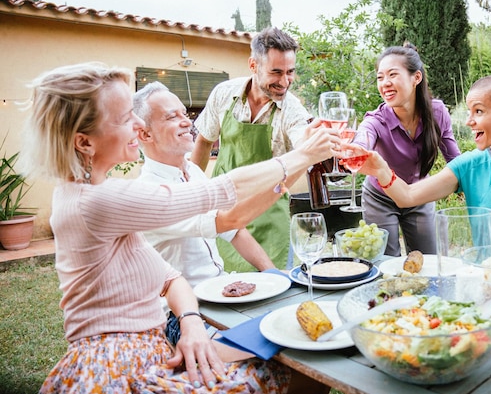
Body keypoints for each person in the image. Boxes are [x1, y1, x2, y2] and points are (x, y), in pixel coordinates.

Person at [20, 62, 338, 393]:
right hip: (115, 364)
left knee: (295, 348)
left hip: (156, 342)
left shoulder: (92, 195)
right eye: (125, 117)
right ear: (85, 143)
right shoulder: (101, 201)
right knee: (297, 368)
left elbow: (170, 277)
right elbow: (223, 194)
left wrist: (190, 321)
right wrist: (301, 156)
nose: (138, 124)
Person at [352, 74, 491, 267]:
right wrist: (381, 169)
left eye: (478, 111)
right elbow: (407, 197)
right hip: (489, 283)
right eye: (469, 112)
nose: (469, 122)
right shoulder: (470, 165)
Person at [190, 27, 311, 272]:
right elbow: (204, 141)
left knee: (274, 290)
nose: (285, 81)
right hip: (222, 215)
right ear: (253, 65)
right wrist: (193, 194)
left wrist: (315, 142)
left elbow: (305, 150)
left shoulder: (293, 110)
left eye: (290, 72)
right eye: (276, 72)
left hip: (268, 217)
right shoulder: (224, 94)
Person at [133, 81, 275, 289]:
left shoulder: (193, 171)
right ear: (145, 134)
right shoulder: (149, 193)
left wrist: (272, 273)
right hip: (183, 311)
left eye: (184, 114)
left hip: (218, 289)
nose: (187, 122)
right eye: (173, 117)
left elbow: (235, 229)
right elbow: (228, 220)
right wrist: (290, 167)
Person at [353, 43, 461, 256]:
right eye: (380, 77)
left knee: (431, 260)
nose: (385, 83)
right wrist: (355, 149)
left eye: (392, 75)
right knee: (386, 264)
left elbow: (455, 160)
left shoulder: (437, 112)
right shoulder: (375, 120)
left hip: (420, 195)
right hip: (380, 198)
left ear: (416, 78)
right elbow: (362, 140)